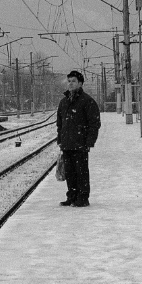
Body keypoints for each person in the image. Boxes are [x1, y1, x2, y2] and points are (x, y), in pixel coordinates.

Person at [56, 70, 101, 206]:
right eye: (69, 81)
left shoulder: (87, 101)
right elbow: (60, 123)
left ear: (80, 83)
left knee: (81, 172)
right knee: (69, 172)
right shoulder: (64, 102)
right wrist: (60, 140)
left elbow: (94, 123)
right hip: (67, 144)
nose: (70, 83)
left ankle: (82, 197)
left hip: (81, 144)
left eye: (73, 81)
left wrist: (89, 142)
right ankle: (72, 195)